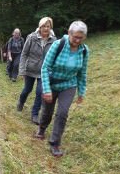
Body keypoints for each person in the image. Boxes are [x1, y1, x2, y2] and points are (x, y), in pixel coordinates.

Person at [35, 20, 90, 157]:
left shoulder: (84, 51)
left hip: (69, 85)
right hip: (52, 83)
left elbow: (82, 73)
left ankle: (55, 143)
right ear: (69, 33)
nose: (77, 40)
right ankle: (42, 129)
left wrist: (81, 92)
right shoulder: (58, 45)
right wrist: (47, 89)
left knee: (62, 113)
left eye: (80, 38)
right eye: (75, 36)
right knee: (47, 111)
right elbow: (45, 68)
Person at [17, 17, 57, 124]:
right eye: (43, 26)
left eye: (48, 26)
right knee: (27, 90)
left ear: (50, 28)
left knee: (40, 92)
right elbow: (24, 54)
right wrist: (22, 71)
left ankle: (34, 114)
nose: (46, 28)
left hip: (43, 72)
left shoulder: (54, 41)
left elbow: (55, 57)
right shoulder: (31, 38)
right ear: (40, 27)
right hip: (30, 69)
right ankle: (21, 101)